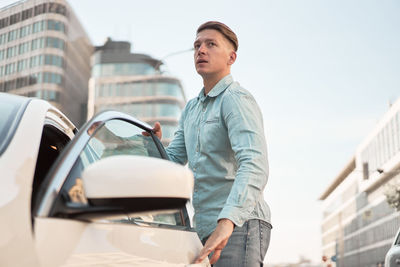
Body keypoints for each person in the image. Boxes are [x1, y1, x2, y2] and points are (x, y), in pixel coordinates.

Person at [151, 21, 272, 266]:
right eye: (197, 45)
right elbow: (172, 161)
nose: (201, 50)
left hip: (239, 224)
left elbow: (255, 165)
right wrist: (151, 144)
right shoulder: (191, 109)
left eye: (210, 44)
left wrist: (227, 222)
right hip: (204, 229)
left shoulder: (235, 100)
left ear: (231, 57)